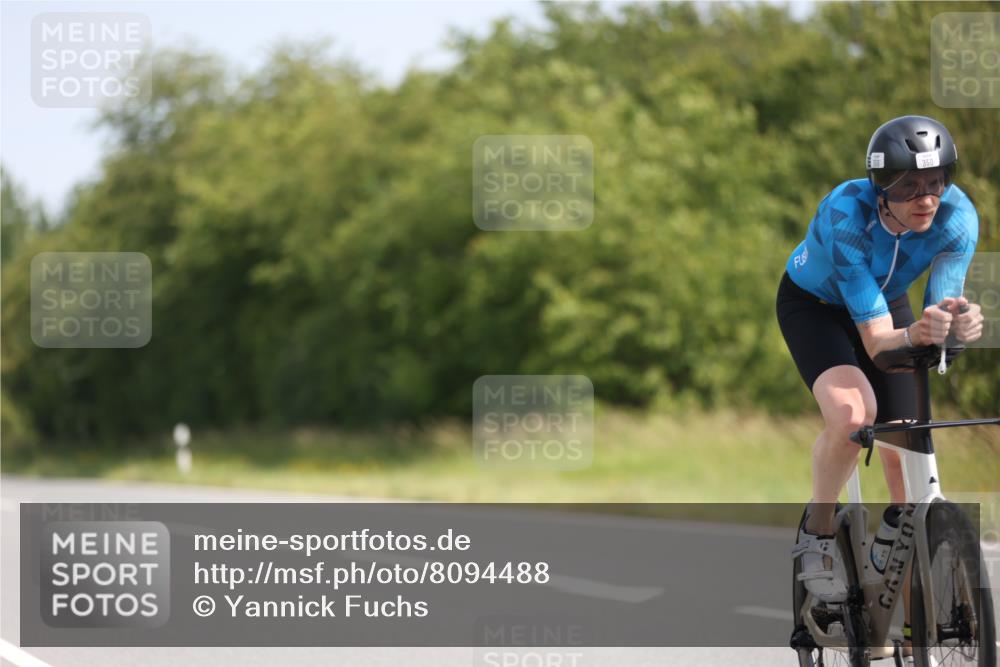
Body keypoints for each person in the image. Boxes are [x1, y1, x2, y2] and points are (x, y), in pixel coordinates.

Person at [776, 116, 984, 611]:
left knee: (905, 441)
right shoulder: (845, 213)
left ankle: (906, 609)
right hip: (817, 307)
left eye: (935, 182)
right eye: (909, 186)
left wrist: (956, 326)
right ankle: (818, 532)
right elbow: (877, 343)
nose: (925, 199)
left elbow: (939, 312)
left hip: (888, 302)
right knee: (854, 415)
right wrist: (917, 334)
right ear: (881, 187)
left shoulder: (958, 216)